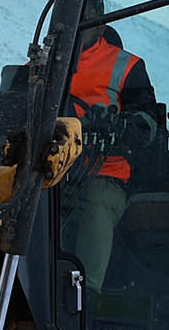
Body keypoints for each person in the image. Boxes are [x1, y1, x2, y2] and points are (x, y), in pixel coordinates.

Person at [65, 23, 157, 287]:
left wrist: (121, 127)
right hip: (48, 170)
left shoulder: (127, 66)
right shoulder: (38, 66)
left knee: (97, 203)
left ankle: (86, 293)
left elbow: (147, 124)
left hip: (104, 172)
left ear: (101, 26)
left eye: (87, 19)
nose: (77, 26)